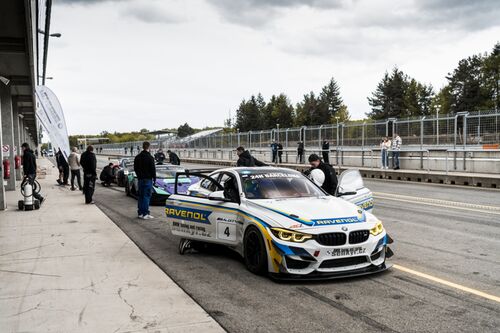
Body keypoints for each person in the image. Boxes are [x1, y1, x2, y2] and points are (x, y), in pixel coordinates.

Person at [134, 141, 156, 219]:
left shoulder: (137, 157)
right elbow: (153, 169)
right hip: (147, 179)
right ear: (148, 147)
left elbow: (135, 168)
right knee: (146, 196)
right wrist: (154, 178)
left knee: (141, 196)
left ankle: (140, 213)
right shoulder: (150, 157)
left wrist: (139, 176)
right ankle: (145, 213)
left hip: (140, 179)